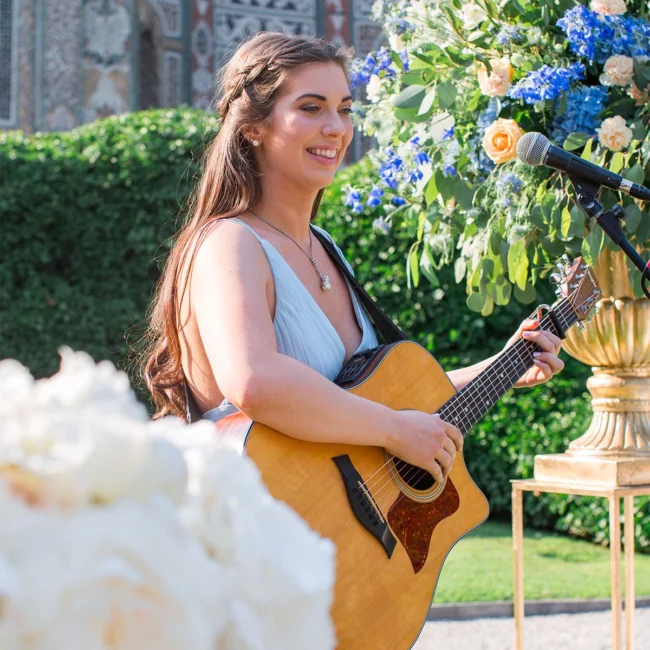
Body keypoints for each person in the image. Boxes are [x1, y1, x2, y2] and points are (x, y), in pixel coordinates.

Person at [142, 32, 564, 485]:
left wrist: (500, 367)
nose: (338, 128)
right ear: (253, 127)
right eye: (311, 107)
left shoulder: (323, 245)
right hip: (245, 524)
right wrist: (396, 429)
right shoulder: (230, 241)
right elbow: (254, 382)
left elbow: (359, 401)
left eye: (344, 109)